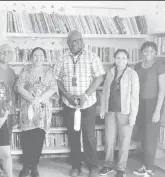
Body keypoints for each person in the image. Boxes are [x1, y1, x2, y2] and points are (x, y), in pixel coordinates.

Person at [54, 30, 105, 177]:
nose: (73, 44)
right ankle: (76, 166)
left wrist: (85, 95)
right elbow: (56, 80)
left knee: (89, 136)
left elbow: (99, 78)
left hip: (88, 103)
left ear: (82, 41)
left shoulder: (92, 56)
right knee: (73, 135)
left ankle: (93, 166)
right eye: (70, 42)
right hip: (69, 103)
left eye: (76, 41)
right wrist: (67, 96)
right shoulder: (62, 58)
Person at [16, 47, 60, 177]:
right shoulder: (25, 70)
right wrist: (31, 98)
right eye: (35, 55)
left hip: (43, 107)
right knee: (27, 137)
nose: (38, 57)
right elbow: (19, 87)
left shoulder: (49, 71)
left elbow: (53, 89)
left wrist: (39, 99)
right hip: (27, 107)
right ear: (31, 57)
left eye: (41, 55)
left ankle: (34, 165)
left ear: (45, 57)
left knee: (38, 137)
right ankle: (26, 165)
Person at [98, 49, 140, 177]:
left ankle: (121, 168)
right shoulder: (110, 73)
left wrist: (133, 116)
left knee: (124, 141)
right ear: (114, 59)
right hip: (110, 112)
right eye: (118, 58)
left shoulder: (132, 74)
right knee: (109, 140)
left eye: (123, 58)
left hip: (125, 112)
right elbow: (104, 92)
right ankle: (108, 165)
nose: (120, 60)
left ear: (127, 60)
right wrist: (102, 108)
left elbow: (135, 97)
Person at [133, 41, 165, 177]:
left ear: (156, 53)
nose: (148, 53)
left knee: (150, 138)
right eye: (146, 51)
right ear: (142, 52)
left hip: (153, 104)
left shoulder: (160, 66)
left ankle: (150, 169)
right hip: (139, 104)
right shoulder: (137, 66)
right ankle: (145, 165)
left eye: (152, 51)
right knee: (142, 136)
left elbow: (162, 90)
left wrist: (157, 111)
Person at [0, 44, 18, 177]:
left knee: (5, 139)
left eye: (8, 52)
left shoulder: (12, 71)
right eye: (2, 52)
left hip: (10, 110)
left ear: (12, 55)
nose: (5, 54)